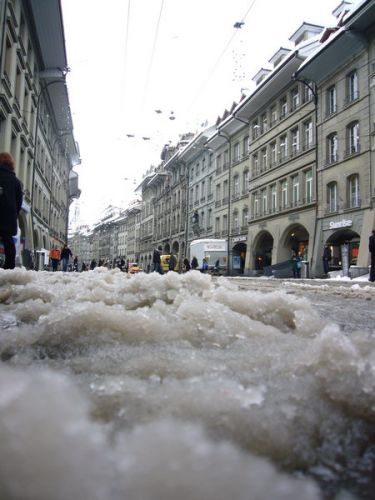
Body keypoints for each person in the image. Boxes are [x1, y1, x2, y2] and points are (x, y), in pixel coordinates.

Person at [0, 152, 23, 270]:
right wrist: (15, 213)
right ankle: (9, 267)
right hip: (9, 214)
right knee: (8, 240)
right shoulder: (16, 181)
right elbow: (19, 201)